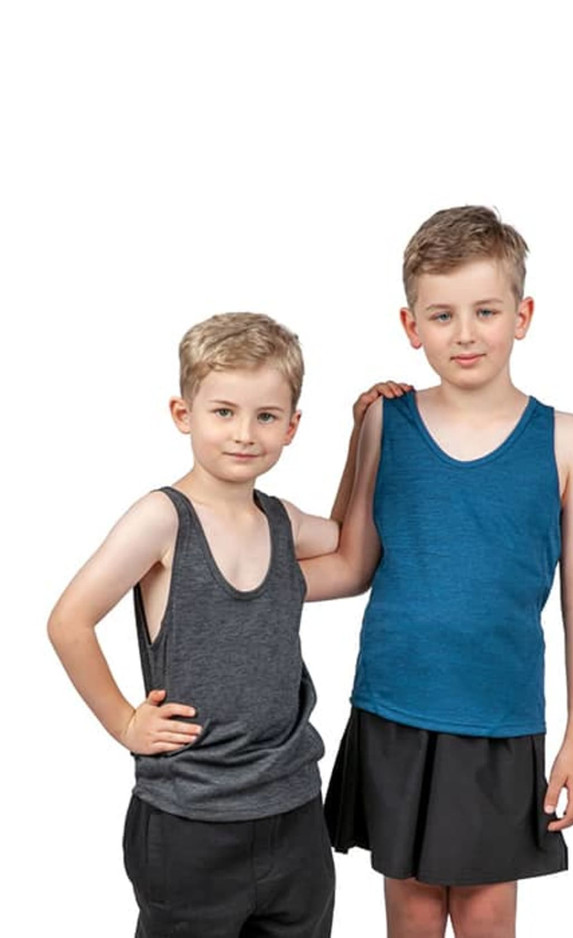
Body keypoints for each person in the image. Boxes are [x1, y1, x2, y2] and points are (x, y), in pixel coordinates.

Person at [47, 311, 409, 938]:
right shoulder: (162, 520)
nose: (245, 433)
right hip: (190, 820)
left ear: (292, 426)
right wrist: (125, 722)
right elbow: (69, 621)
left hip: (292, 814)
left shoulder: (281, 522)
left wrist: (366, 439)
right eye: (223, 412)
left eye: (266, 416)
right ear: (183, 413)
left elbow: (353, 561)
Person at [302, 206, 573, 938]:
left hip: (498, 720)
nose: (465, 334)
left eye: (485, 311)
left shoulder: (568, 441)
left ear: (522, 314)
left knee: (484, 913)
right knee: (408, 911)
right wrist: (225, 583)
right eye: (441, 315)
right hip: (396, 710)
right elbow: (350, 562)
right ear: (412, 327)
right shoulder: (386, 423)